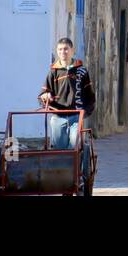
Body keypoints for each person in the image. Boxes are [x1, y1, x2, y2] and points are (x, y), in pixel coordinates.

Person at [37, 37, 94, 180]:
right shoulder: (53, 72)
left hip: (76, 115)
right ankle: (61, 178)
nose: (63, 52)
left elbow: (90, 95)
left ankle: (74, 176)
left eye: (66, 49)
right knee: (58, 149)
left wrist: (85, 111)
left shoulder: (81, 71)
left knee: (74, 144)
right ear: (57, 51)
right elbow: (42, 95)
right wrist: (46, 96)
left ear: (72, 51)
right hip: (58, 116)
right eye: (60, 49)